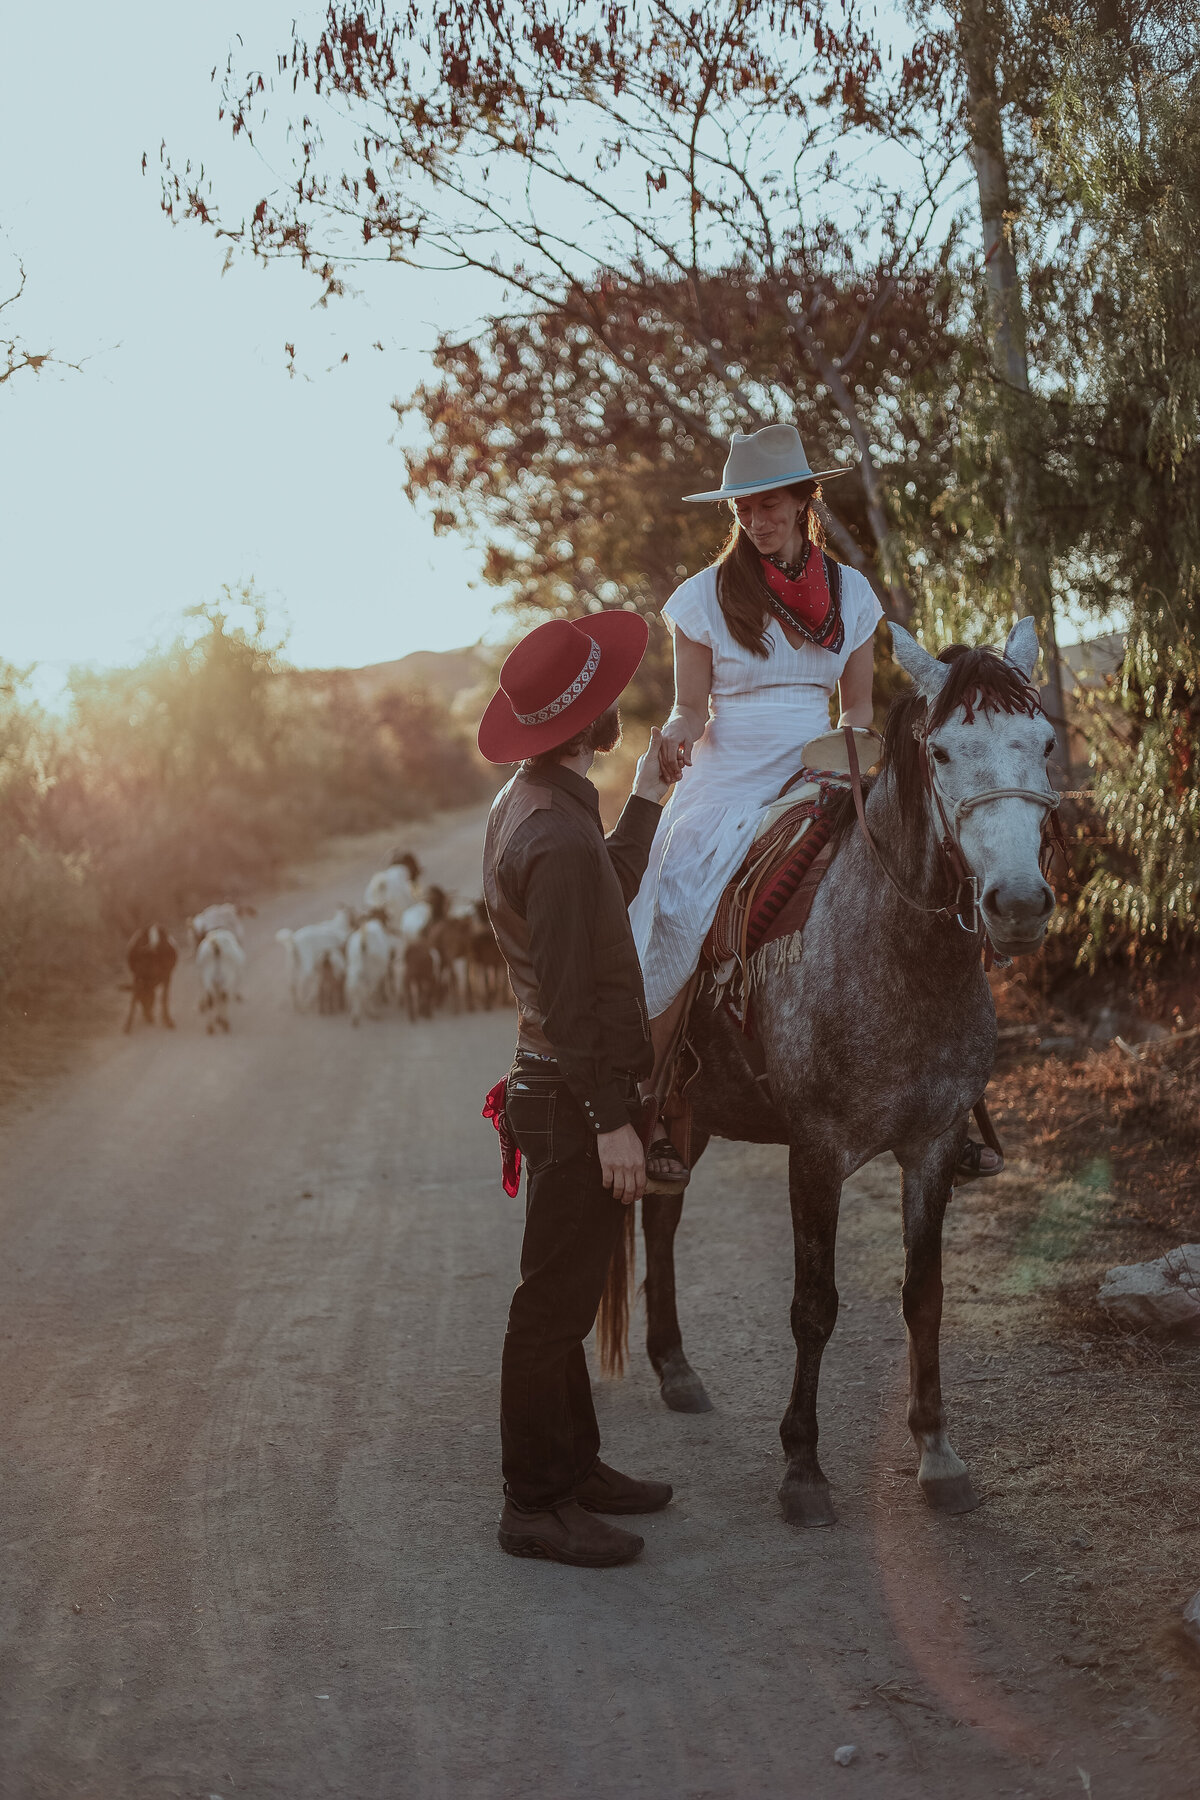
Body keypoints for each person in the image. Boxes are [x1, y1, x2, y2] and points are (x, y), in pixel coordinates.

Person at [629, 423, 1000, 1185]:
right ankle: (656, 1093)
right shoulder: (702, 599)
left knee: (921, 875)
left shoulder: (851, 594)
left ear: (804, 501)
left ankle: (950, 1100)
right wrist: (672, 737)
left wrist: (849, 769)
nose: (757, 520)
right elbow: (689, 709)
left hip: (821, 766)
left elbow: (857, 712)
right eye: (744, 509)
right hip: (728, 772)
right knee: (678, 902)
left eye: (771, 505)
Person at [478, 612, 674, 1568]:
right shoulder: (551, 834)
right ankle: (533, 1505)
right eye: (610, 706)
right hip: (570, 1098)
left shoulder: (539, 804)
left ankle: (576, 1468)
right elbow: (566, 998)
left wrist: (648, 794)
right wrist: (613, 1125)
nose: (621, 714)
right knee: (549, 1308)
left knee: (556, 1294)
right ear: (588, 724)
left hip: (557, 1090)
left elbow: (612, 886)